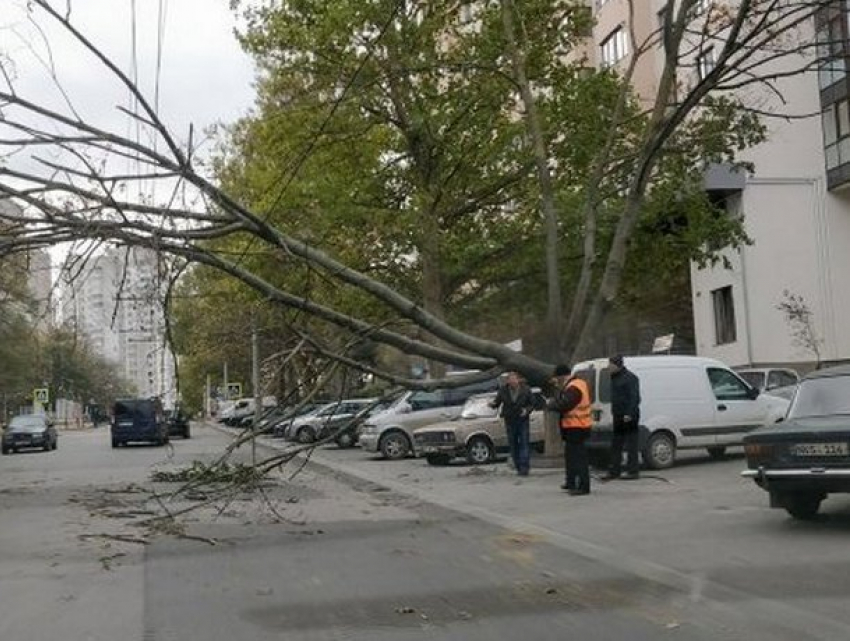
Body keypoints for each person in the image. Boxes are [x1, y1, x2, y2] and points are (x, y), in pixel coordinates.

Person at [548, 364, 593, 496]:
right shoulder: (575, 384)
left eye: (558, 378)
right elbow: (563, 399)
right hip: (575, 426)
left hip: (577, 426)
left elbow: (565, 404)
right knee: (571, 457)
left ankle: (583, 486)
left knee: (578, 458)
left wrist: (551, 405)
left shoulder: (574, 387)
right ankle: (571, 481)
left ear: (563, 376)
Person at [603, 355, 641, 481]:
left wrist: (629, 414)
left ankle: (633, 471)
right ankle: (614, 471)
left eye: (611, 365)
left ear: (617, 365)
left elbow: (634, 398)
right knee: (616, 444)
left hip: (629, 415)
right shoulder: (614, 378)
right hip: (618, 414)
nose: (608, 367)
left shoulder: (630, 378)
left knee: (631, 444)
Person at [490, 372, 535, 476]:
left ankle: (524, 467)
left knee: (524, 442)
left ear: (518, 380)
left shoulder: (526, 389)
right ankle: (518, 465)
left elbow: (532, 403)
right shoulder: (503, 390)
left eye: (514, 380)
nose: (512, 382)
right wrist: (492, 404)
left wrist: (527, 410)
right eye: (510, 380)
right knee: (513, 443)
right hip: (510, 419)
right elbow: (497, 402)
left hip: (522, 418)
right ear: (508, 381)